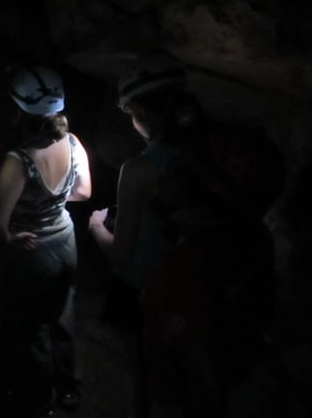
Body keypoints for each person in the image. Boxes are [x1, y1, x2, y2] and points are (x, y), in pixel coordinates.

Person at [87, 54, 205, 417]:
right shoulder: (197, 153)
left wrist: (95, 226)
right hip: (185, 282)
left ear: (138, 111)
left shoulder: (137, 170)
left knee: (140, 372)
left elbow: (121, 254)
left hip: (138, 287)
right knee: (186, 369)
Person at [0, 65, 92, 417]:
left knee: (27, 327)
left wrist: (10, 237)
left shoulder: (17, 161)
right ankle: (68, 391)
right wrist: (54, 202)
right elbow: (83, 191)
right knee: (62, 316)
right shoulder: (74, 142)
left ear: (18, 111)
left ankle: (35, 399)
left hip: (31, 250)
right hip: (65, 240)